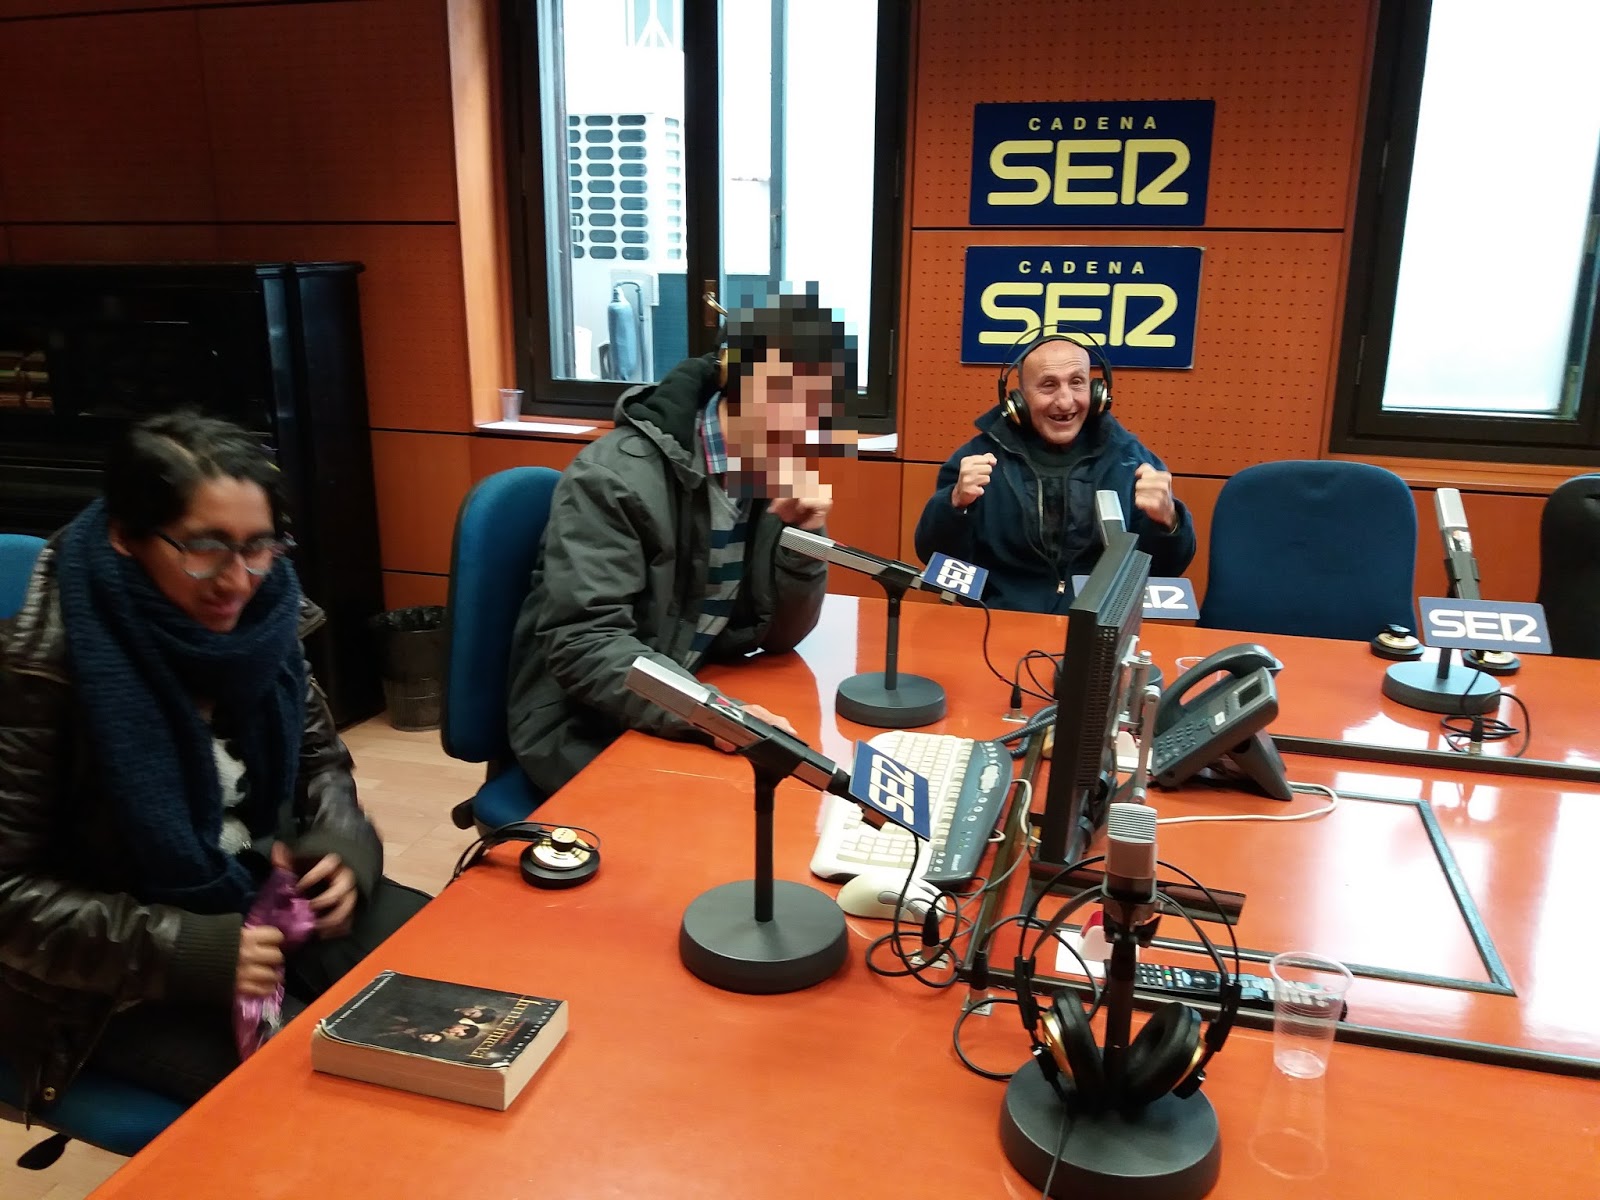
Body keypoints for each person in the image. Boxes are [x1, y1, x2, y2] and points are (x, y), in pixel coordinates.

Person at [0, 413, 428, 1115]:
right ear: (127, 537)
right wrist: (188, 949)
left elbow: (321, 764)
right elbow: (10, 899)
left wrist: (342, 841)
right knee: (328, 1103)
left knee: (457, 977)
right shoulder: (38, 672)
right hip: (104, 984)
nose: (239, 579)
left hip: (256, 893)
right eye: (204, 548)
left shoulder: (267, 620)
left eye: (259, 545)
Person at [508, 286, 855, 798]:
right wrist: (715, 714)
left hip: (688, 691)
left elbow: (781, 635)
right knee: (759, 818)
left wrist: (805, 540)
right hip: (588, 724)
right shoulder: (614, 478)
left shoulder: (769, 470)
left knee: (800, 798)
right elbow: (585, 644)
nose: (815, 423)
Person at [914, 332, 1196, 613]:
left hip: (1096, 623)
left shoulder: (1131, 461)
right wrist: (955, 505)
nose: (1065, 401)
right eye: (1048, 385)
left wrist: (1168, 523)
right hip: (999, 621)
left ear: (1098, 391)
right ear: (1018, 399)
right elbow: (937, 560)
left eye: (1077, 382)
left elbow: (1165, 570)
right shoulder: (978, 459)